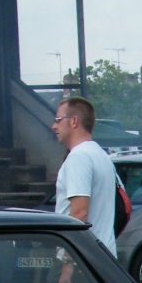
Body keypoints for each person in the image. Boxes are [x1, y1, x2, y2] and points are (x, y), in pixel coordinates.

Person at [52, 96, 116, 257]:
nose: (53, 126)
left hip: (83, 261)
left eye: (58, 120)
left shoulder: (78, 157)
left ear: (74, 121)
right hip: (103, 254)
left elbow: (79, 214)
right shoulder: (101, 155)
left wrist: (68, 262)